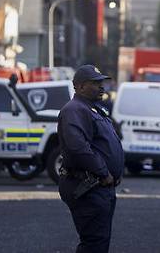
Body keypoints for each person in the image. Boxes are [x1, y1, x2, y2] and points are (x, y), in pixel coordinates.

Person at [58, 65, 125, 253]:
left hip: (100, 188)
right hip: (88, 187)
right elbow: (78, 148)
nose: (101, 87)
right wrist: (104, 173)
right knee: (94, 243)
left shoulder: (92, 109)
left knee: (99, 242)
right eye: (95, 83)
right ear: (79, 87)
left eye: (101, 82)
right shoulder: (74, 110)